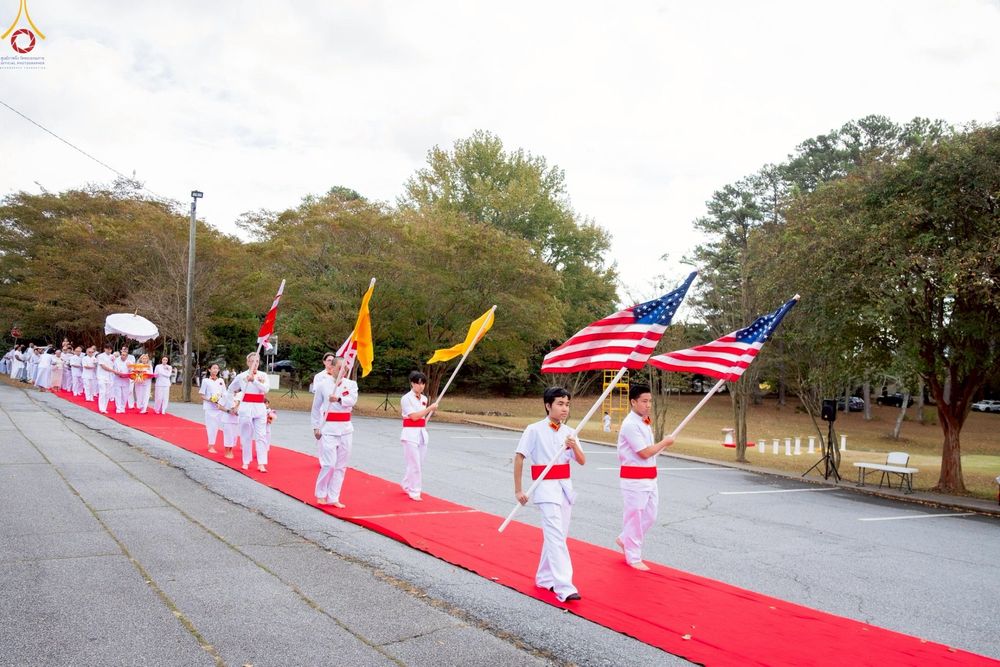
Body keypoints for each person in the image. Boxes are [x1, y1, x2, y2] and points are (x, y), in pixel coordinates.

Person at [513, 386, 586, 603]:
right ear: (548, 405)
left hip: (564, 488)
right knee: (555, 535)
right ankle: (564, 586)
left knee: (558, 536)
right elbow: (519, 457)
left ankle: (544, 578)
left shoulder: (569, 432)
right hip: (544, 488)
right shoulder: (534, 429)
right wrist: (518, 490)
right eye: (560, 404)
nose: (565, 408)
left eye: (567, 404)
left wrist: (574, 446)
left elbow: (582, 461)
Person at [615, 384, 675, 571]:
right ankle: (633, 556)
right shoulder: (630, 424)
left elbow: (649, 453)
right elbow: (643, 452)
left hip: (649, 477)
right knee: (635, 516)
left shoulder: (643, 421)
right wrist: (664, 442)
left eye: (650, 401)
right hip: (634, 479)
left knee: (650, 516)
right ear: (633, 402)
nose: (648, 405)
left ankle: (625, 538)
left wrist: (662, 445)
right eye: (644, 401)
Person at [311, 355, 358, 507]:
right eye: (339, 367)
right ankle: (321, 493)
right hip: (328, 428)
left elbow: (352, 401)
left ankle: (334, 497)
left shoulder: (351, 384)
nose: (342, 370)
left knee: (341, 465)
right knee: (329, 464)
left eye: (345, 368)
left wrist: (338, 399)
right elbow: (316, 408)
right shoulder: (323, 385)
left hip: (345, 428)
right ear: (332, 368)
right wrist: (316, 427)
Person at [399, 370, 439, 501]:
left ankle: (406, 484)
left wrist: (428, 411)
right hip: (410, 434)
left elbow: (421, 417)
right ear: (412, 384)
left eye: (423, 384)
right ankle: (415, 490)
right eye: (418, 383)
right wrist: (429, 409)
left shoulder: (424, 399)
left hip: (421, 433)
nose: (421, 386)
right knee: (414, 463)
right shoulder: (406, 398)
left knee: (418, 463)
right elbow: (414, 417)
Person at [229, 352, 270, 472]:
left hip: (259, 407)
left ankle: (261, 463)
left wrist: (255, 381)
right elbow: (231, 389)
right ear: (248, 362)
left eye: (257, 361)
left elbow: (266, 389)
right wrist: (233, 404)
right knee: (246, 436)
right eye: (252, 361)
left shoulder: (263, 375)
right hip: (246, 407)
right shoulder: (241, 376)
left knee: (261, 436)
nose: (255, 364)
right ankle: (246, 461)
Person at [198, 364, 227, 455]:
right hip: (209, 407)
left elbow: (225, 393)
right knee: (211, 427)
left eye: (217, 368)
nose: (215, 370)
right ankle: (211, 445)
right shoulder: (206, 381)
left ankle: (214, 444)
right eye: (213, 368)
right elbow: (202, 395)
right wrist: (210, 400)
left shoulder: (221, 380)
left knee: (219, 426)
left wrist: (222, 401)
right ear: (209, 370)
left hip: (219, 407)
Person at [96, 344, 116, 414]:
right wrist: (113, 371)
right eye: (107, 349)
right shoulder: (100, 356)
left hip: (110, 377)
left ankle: (105, 407)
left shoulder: (112, 356)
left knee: (107, 393)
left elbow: (114, 365)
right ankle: (101, 408)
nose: (109, 350)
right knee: (102, 392)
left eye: (110, 349)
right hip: (101, 376)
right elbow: (103, 366)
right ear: (104, 349)